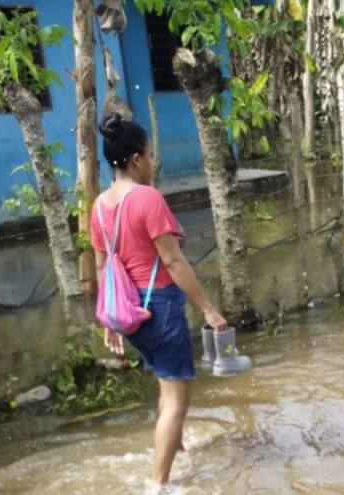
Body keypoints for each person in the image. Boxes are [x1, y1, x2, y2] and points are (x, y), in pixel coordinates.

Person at [91, 113, 229, 487]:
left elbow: (102, 267)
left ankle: (178, 451)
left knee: (167, 390)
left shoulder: (99, 206)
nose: (151, 162)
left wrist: (109, 320)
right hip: (160, 309)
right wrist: (209, 310)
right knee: (176, 402)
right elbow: (172, 260)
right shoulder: (147, 199)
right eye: (149, 154)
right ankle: (158, 484)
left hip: (129, 314)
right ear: (136, 159)